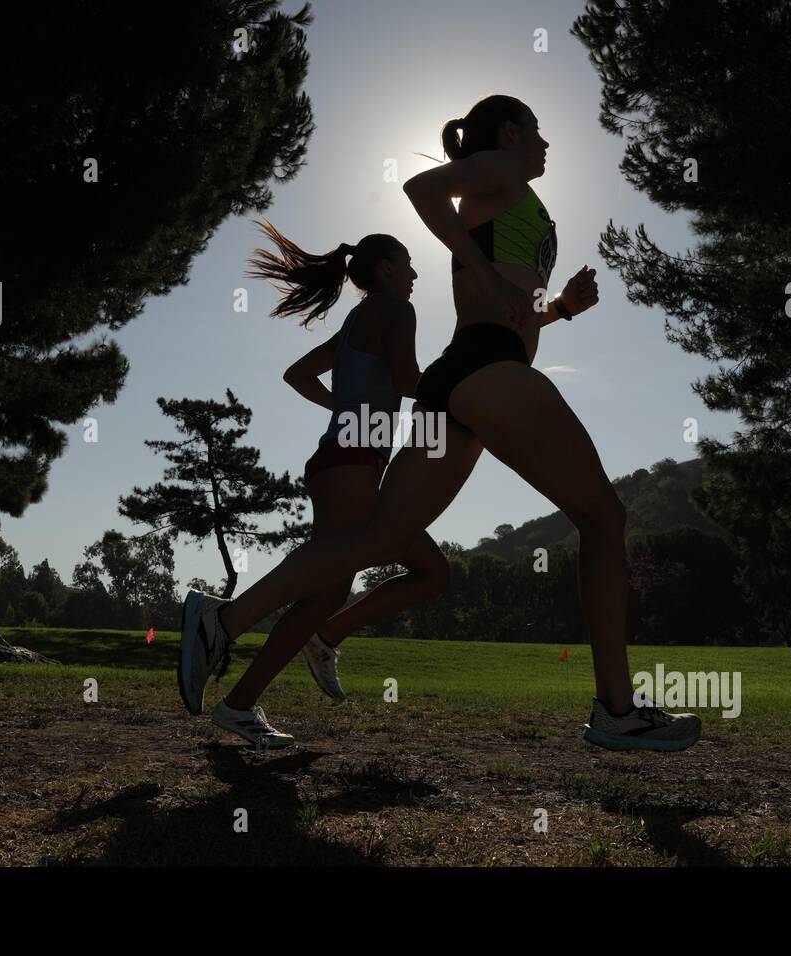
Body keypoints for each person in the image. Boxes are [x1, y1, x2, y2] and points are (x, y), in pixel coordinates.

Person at [183, 95, 700, 753]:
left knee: (383, 535)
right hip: (485, 371)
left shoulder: (505, 189)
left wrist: (560, 310)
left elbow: (504, 309)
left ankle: (221, 618)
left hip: (458, 382)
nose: (546, 146)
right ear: (510, 133)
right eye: (537, 132)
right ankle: (617, 709)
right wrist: (488, 271)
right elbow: (421, 187)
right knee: (604, 518)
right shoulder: (500, 168)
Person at [181, 223, 450, 748]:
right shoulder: (397, 310)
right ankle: (225, 622)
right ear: (387, 269)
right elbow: (408, 383)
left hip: (338, 459)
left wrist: (345, 411)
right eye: (409, 263)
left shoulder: (355, 321)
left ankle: (240, 704)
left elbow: (297, 374)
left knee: (326, 592)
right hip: (352, 463)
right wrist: (465, 381)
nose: (416, 274)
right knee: (430, 571)